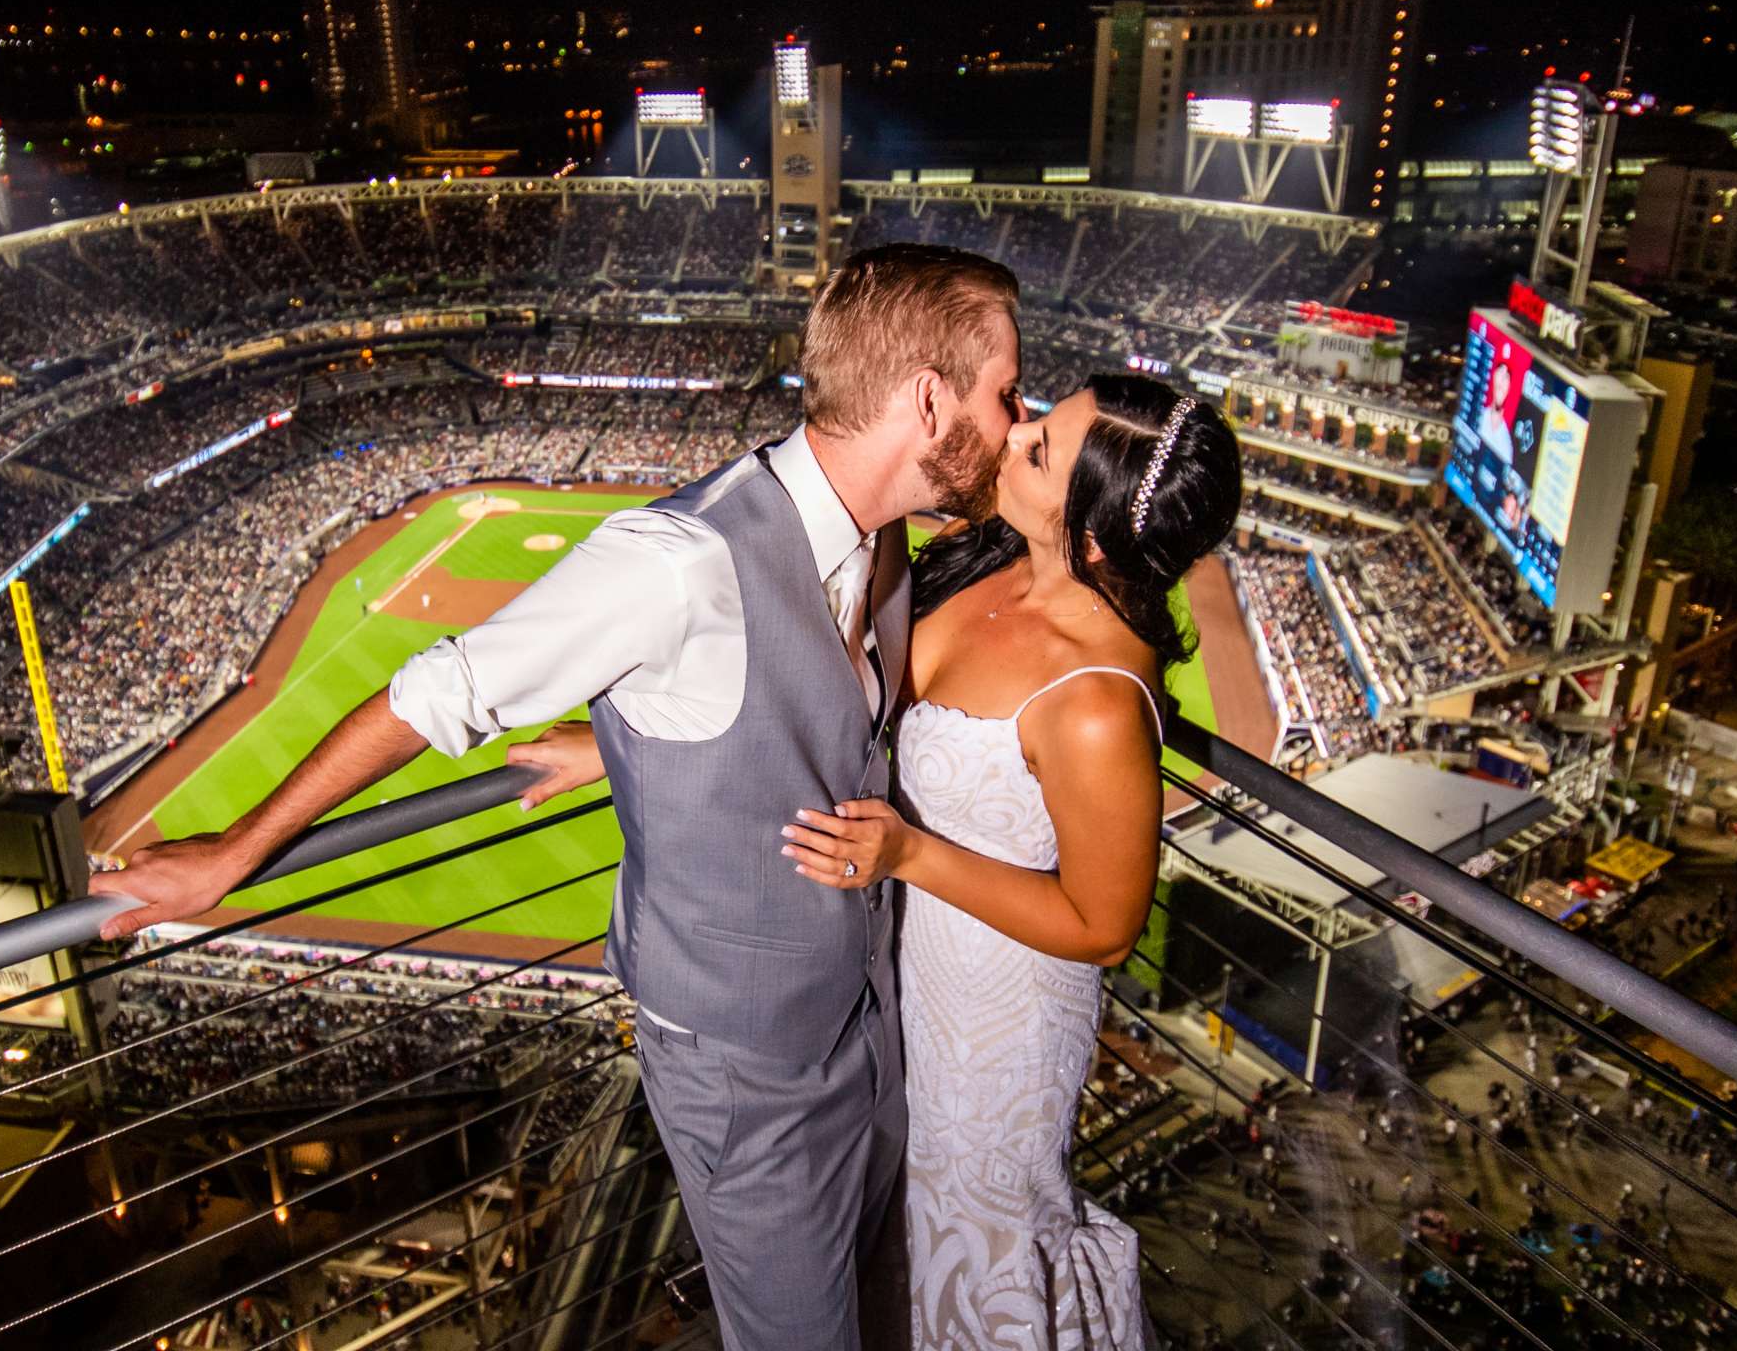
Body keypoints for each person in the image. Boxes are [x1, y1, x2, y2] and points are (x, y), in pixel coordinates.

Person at [91, 243, 1025, 1351]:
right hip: (746, 1072)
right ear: (928, 400)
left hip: (867, 1029)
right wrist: (231, 853)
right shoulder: (674, 563)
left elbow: (781, 717)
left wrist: (630, 738)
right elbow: (433, 696)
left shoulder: (879, 545)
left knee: (883, 1309)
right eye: (1006, 393)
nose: (1015, 421)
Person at [520, 373, 1242, 1349]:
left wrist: (909, 854)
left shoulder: (1100, 699)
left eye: (1040, 450)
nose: (1015, 432)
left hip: (1000, 1025)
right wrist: (614, 750)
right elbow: (824, 701)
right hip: (895, 963)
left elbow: (1104, 926)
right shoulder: (984, 555)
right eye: (1037, 416)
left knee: (973, 1241)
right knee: (893, 1232)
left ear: (1099, 535)